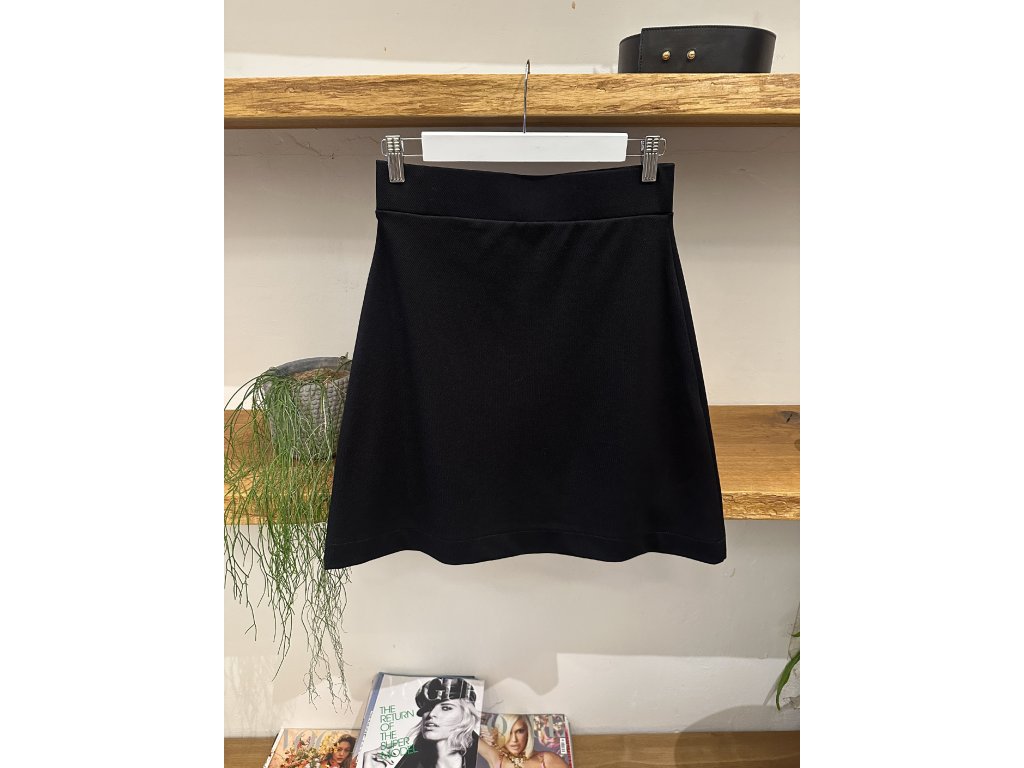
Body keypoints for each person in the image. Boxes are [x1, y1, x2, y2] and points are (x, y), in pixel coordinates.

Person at [361, 678, 482, 768]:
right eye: (428, 708)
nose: (431, 714)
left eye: (446, 708)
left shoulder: (484, 760)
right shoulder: (412, 761)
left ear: (466, 716)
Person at [477, 715, 569, 768]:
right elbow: (468, 728)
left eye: (520, 731)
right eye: (508, 733)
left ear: (528, 732)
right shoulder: (496, 758)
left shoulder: (547, 759)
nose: (514, 740)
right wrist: (483, 730)